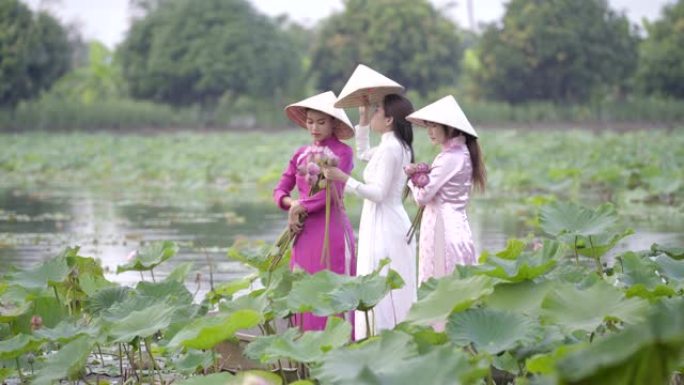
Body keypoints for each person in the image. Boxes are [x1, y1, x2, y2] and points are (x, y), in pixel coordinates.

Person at [323, 93, 417, 339]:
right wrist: (363, 118)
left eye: (376, 110)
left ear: (389, 120)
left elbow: (378, 193)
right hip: (383, 220)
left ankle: (381, 340)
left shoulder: (391, 149)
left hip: (386, 224)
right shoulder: (394, 145)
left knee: (381, 282)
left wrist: (345, 179)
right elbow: (364, 152)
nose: (374, 113)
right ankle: (383, 339)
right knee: (379, 281)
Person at [273, 91, 356, 331]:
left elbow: (330, 194)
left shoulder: (343, 153)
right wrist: (291, 204)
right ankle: (304, 353)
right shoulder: (300, 153)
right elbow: (280, 189)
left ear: (334, 123)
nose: (314, 127)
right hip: (302, 232)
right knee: (303, 290)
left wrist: (299, 206)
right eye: (310, 121)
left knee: (330, 291)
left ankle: (336, 344)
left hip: (331, 231)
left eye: (321, 122)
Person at [405, 95, 486, 283]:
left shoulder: (449, 157)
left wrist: (411, 180)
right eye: (428, 126)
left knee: (438, 284)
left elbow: (422, 198)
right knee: (456, 286)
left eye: (434, 126)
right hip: (459, 227)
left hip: (441, 228)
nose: (429, 131)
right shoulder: (463, 153)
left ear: (449, 127)